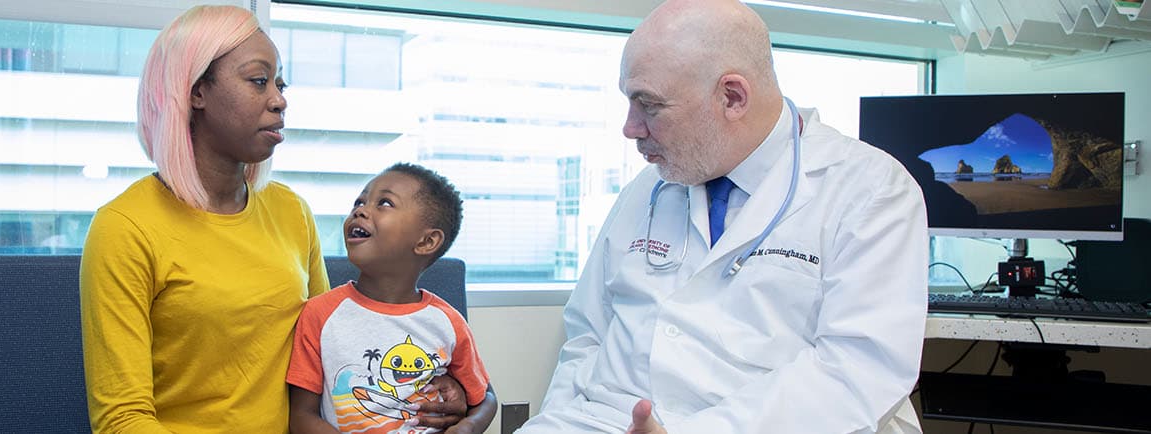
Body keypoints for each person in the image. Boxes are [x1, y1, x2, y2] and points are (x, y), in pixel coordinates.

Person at [518, 1, 929, 433]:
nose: (630, 128)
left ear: (732, 97)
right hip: (608, 421)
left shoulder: (869, 190)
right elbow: (587, 332)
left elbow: (857, 369)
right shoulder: (649, 188)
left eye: (649, 106)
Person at [79, 7, 467, 433]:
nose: (279, 99)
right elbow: (122, 419)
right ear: (195, 91)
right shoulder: (125, 227)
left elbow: (335, 346)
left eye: (280, 84)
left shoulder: (291, 211)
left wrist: (446, 389)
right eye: (258, 80)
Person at [286, 163, 497, 434]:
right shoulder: (319, 314)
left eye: (384, 203)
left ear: (426, 241)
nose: (360, 210)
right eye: (359, 201)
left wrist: (468, 427)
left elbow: (486, 399)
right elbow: (301, 417)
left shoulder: (447, 322)